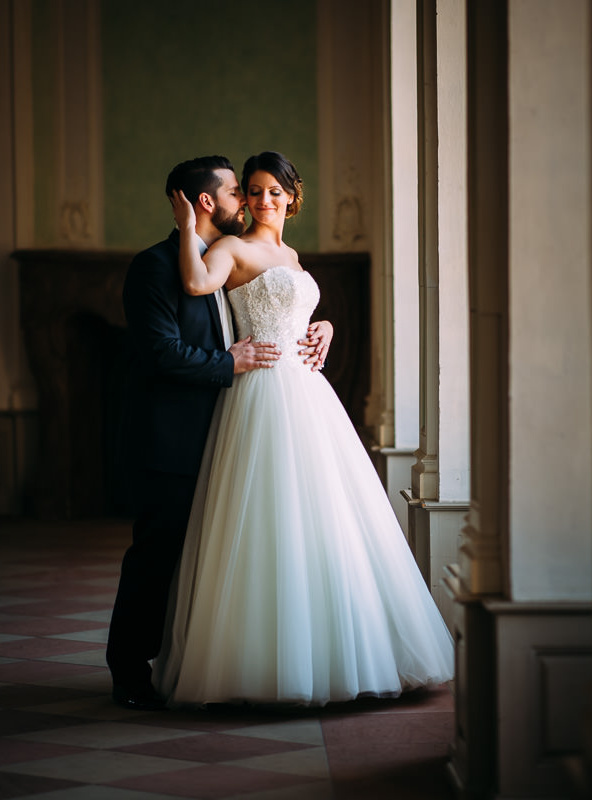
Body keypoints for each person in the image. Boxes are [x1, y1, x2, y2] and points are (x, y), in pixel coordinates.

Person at [153, 151, 453, 707]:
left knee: (326, 517)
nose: (264, 200)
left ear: (293, 196)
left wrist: (328, 326)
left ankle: (339, 652)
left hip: (309, 393)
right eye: (254, 191)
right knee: (270, 520)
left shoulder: (290, 254)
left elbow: (298, 310)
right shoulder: (230, 247)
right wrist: (186, 226)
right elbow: (196, 285)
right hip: (261, 392)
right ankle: (268, 662)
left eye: (274, 191)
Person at [107, 155, 333, 710]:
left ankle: (221, 660)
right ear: (208, 201)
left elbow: (269, 313)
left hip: (233, 429)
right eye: (240, 192)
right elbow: (163, 352)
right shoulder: (155, 267)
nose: (251, 202)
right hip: (171, 440)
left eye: (264, 192)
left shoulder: (230, 258)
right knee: (158, 555)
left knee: (218, 557)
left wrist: (320, 324)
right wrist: (228, 365)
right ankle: (130, 670)